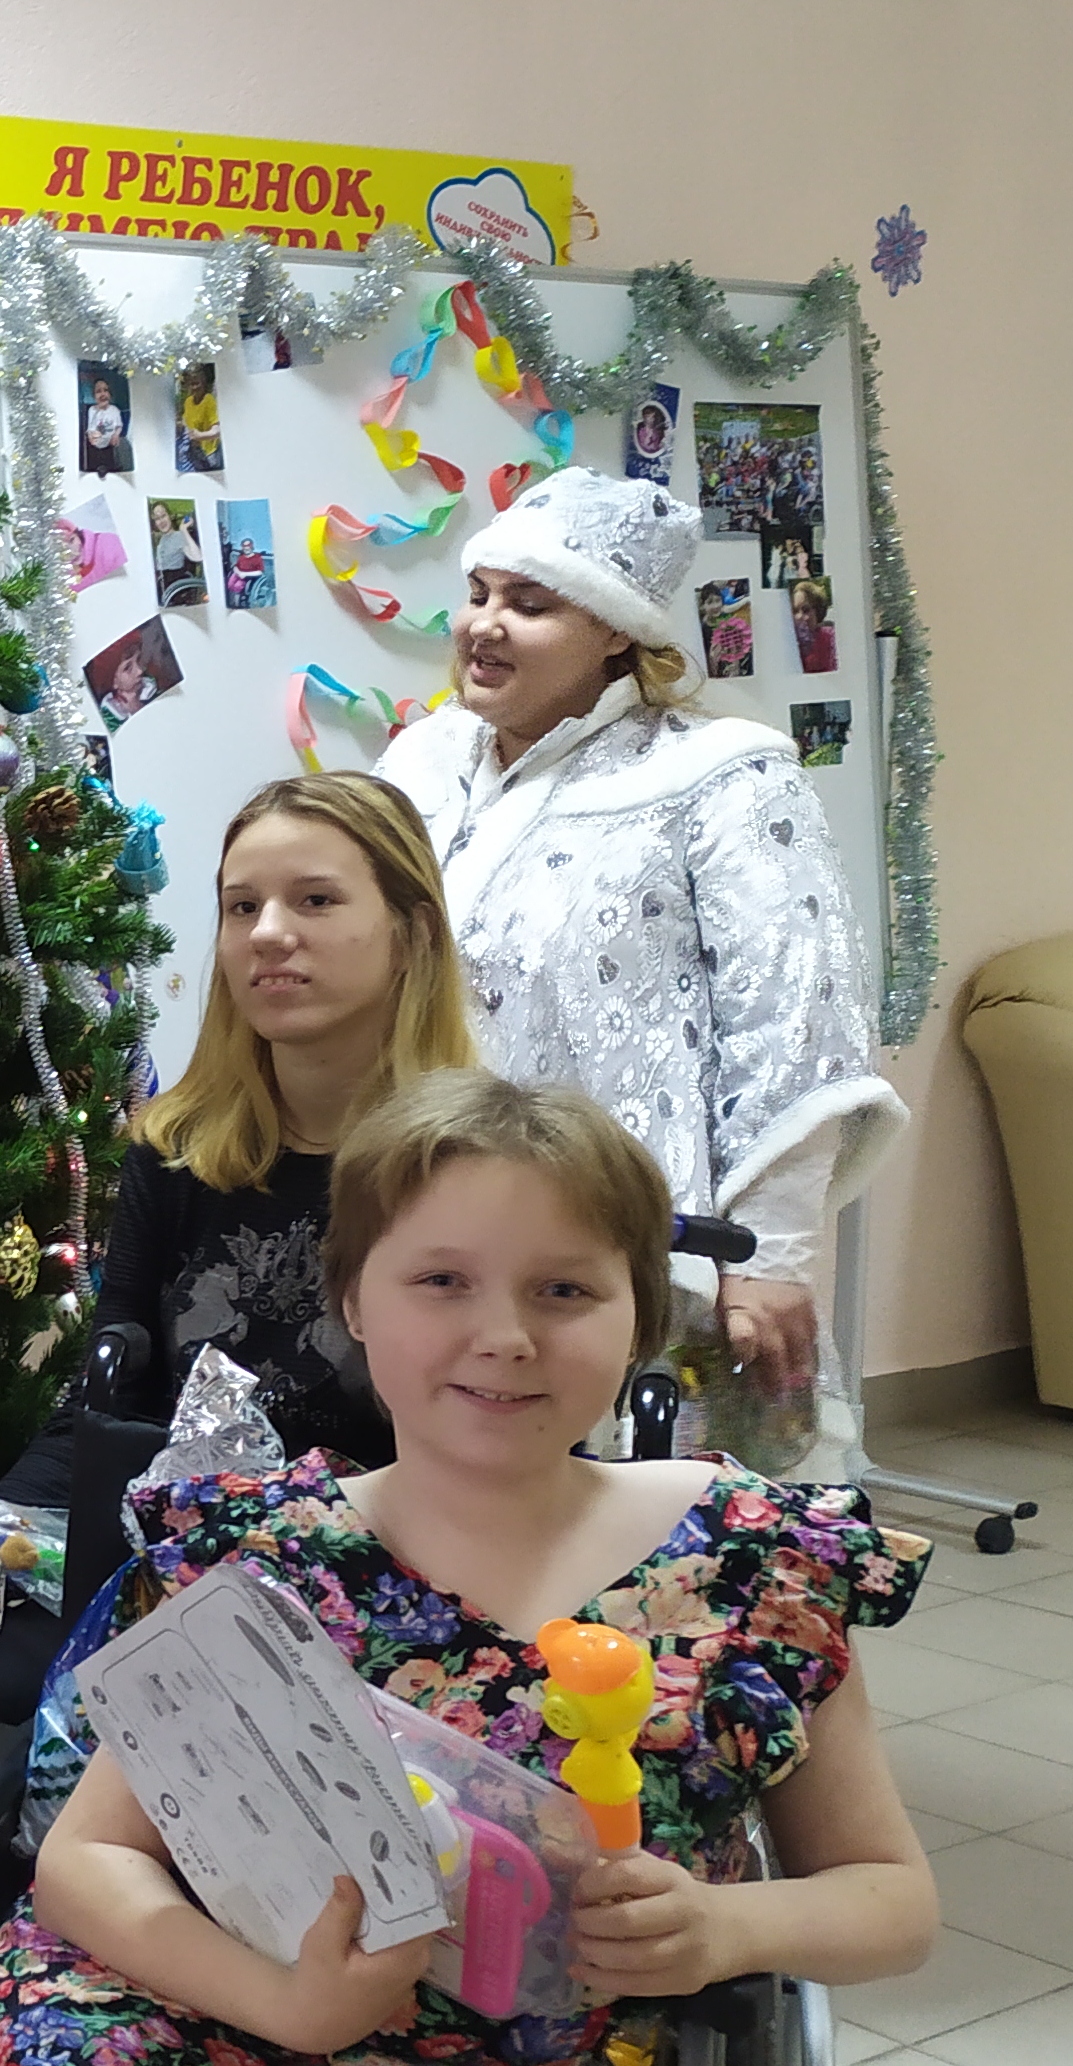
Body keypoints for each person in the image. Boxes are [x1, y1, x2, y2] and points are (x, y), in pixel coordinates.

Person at [0, 1070, 937, 2066]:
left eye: (564, 1290)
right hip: (196, 1981)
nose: (505, 1335)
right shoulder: (268, 1551)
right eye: (442, 1283)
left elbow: (893, 1900)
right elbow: (85, 1862)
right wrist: (280, 2000)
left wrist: (726, 1925)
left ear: (641, 1312)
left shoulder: (742, 1566)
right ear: (355, 1301)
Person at [377, 467, 904, 1474]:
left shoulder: (721, 777)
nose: (485, 625)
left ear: (617, 632)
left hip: (647, 1252)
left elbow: (795, 1025)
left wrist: (770, 1256)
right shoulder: (419, 765)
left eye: (530, 604)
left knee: (658, 1546)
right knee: (454, 1527)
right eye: (479, 594)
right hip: (436, 1231)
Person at [4, 771, 479, 1508]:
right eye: (242, 907)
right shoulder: (176, 1151)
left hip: (403, 1554)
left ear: (412, 934)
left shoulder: (483, 1169)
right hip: (184, 1556)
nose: (267, 934)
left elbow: (509, 1451)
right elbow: (102, 1419)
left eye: (315, 900)